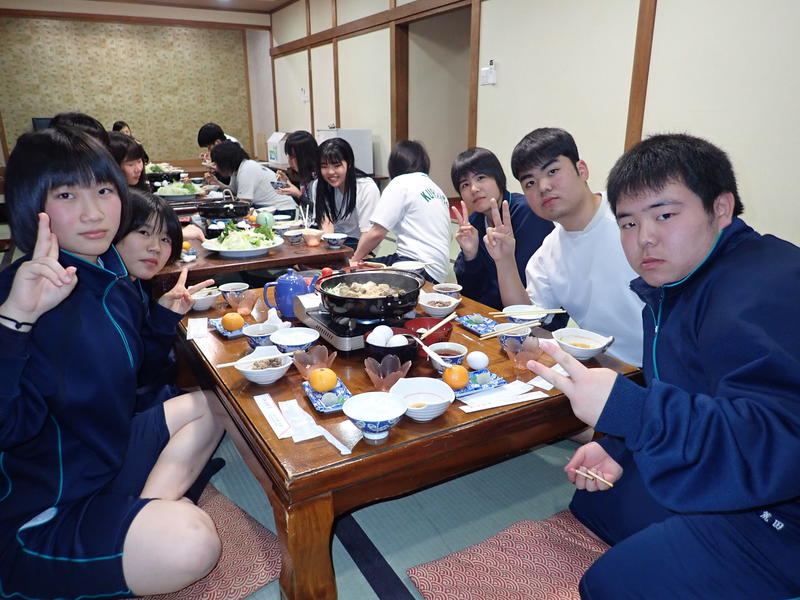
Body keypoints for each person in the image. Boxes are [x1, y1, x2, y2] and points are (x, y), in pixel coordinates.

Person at [527, 133, 800, 599]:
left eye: (665, 215)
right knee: (595, 507)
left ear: (720, 208)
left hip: (781, 514)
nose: (644, 238)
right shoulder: (676, 283)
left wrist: (632, 413)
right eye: (629, 223)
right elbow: (682, 387)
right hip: (737, 471)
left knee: (606, 585)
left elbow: (778, 443)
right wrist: (621, 444)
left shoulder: (766, 287)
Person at [0, 127, 224, 599]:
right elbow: (8, 429)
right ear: (30, 204)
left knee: (217, 404)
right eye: (67, 194)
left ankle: (141, 511)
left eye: (103, 191)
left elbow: (134, 376)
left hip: (106, 457)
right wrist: (16, 321)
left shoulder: (106, 279)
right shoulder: (19, 293)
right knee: (193, 543)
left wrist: (161, 318)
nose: (93, 212)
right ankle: (141, 525)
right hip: (43, 506)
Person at [485, 128, 643, 366]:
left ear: (582, 170)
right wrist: (505, 260)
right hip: (601, 367)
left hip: (667, 367)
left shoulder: (632, 217)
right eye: (530, 182)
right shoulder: (549, 252)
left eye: (552, 171)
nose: (543, 187)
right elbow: (526, 319)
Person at [451, 147, 556, 311]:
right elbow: (468, 292)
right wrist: (471, 255)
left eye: (480, 178)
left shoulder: (527, 212)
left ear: (498, 178)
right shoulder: (474, 222)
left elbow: (526, 285)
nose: (473, 189)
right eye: (465, 184)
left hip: (538, 316)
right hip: (490, 314)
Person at [350, 140, 451, 283]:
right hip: (438, 271)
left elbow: (376, 233)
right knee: (369, 264)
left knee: (353, 274)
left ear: (394, 164)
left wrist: (354, 260)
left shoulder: (400, 183)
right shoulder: (436, 188)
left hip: (416, 266)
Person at [313, 137, 380, 247]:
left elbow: (368, 233)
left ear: (349, 163)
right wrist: (328, 250)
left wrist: (355, 256)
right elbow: (326, 223)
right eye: (324, 166)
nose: (330, 172)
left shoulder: (366, 188)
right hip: (334, 242)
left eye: (337, 165)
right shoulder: (319, 185)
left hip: (361, 243)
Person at [209, 141, 297, 217]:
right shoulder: (239, 169)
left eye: (217, 163)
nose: (217, 167)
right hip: (272, 208)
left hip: (283, 210)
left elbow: (243, 203)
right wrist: (216, 182)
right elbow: (234, 191)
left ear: (225, 162)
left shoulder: (247, 169)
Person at [276, 130, 319, 212]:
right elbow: (304, 205)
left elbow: (319, 212)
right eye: (288, 155)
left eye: (293, 156)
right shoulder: (304, 175)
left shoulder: (319, 178)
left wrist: (298, 194)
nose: (289, 160)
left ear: (306, 156)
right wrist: (288, 185)